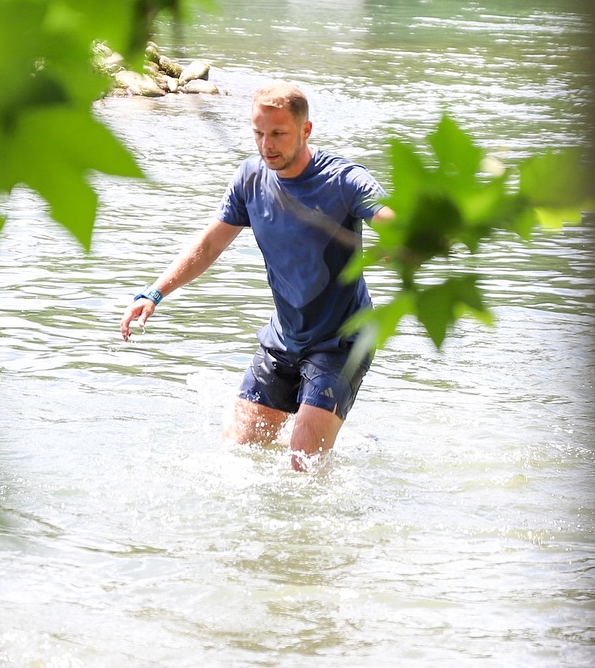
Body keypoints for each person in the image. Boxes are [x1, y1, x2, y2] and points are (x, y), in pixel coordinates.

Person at [120, 82, 394, 470]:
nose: (267, 145)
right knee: (238, 453)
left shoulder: (343, 180)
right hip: (283, 338)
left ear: (305, 130)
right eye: (258, 133)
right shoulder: (250, 179)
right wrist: (154, 293)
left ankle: (321, 424)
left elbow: (393, 218)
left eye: (278, 134)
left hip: (342, 342)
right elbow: (208, 246)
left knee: (304, 466)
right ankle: (327, 425)